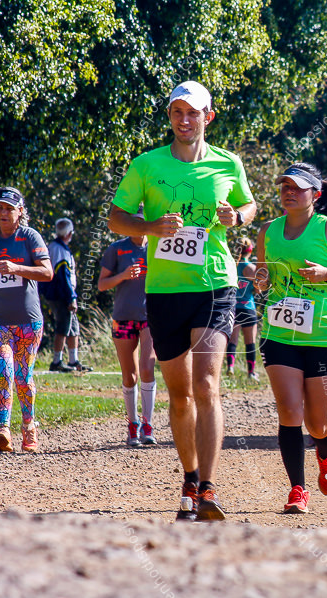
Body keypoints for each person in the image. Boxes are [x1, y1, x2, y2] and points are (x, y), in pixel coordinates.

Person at [109, 80, 257, 522]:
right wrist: (150, 226)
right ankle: (189, 477)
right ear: (170, 117)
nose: (185, 120)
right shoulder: (146, 164)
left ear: (208, 117)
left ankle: (209, 487)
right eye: (177, 112)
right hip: (165, 291)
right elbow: (116, 217)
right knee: (178, 396)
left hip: (214, 284)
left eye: (193, 113)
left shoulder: (228, 163)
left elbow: (248, 206)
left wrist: (237, 216)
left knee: (206, 385)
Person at [255, 163, 327, 514]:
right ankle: (297, 489)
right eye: (284, 185)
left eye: (297, 187)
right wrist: (260, 280)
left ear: (315, 195)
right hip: (279, 331)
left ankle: (326, 452)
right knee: (290, 411)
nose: (288, 191)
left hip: (323, 335)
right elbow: (263, 273)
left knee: (318, 422)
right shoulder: (268, 231)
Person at [0, 187, 52, 452]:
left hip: (28, 322)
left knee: (23, 377)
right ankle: (3, 429)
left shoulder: (29, 237)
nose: (3, 213)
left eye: (8, 208)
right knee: (3, 369)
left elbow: (47, 272)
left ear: (19, 212)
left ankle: (29, 426)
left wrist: (16, 268)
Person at [98, 233, 158, 446]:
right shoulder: (116, 248)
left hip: (151, 317)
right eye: (133, 222)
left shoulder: (158, 246)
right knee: (129, 375)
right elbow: (102, 284)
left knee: (147, 368)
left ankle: (147, 424)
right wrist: (122, 275)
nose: (137, 227)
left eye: (142, 221)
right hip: (123, 317)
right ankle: (133, 424)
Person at [47, 218, 90, 372]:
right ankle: (57, 361)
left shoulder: (58, 247)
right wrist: (71, 297)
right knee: (63, 326)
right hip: (60, 294)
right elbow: (63, 275)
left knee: (73, 327)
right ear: (69, 233)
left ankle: (73, 360)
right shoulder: (59, 249)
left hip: (62, 292)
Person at [227, 236, 259, 380]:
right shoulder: (251, 268)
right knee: (250, 341)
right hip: (248, 307)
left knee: (232, 340)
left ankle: (230, 367)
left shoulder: (232, 265)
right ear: (250, 250)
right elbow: (259, 288)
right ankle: (251, 372)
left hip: (234, 307)